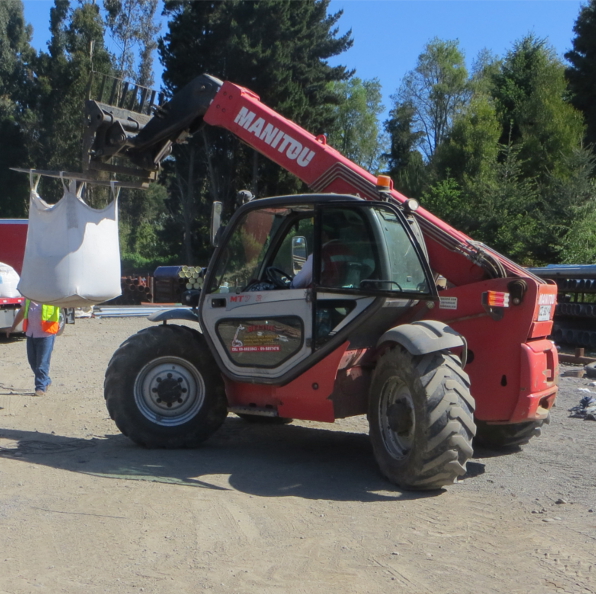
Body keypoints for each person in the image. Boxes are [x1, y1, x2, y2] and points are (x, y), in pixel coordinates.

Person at [6, 299, 60, 396]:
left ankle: (40, 387)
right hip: (31, 334)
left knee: (42, 362)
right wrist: (13, 327)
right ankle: (46, 380)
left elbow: (65, 303)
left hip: (46, 334)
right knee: (33, 362)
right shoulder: (28, 298)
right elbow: (22, 312)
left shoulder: (51, 296)